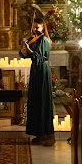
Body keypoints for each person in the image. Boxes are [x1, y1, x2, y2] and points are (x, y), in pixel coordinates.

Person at [20, 17, 55, 146]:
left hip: (42, 71)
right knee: (36, 100)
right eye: (34, 27)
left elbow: (41, 57)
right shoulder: (34, 39)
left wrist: (30, 51)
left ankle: (48, 133)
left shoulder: (44, 40)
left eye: (38, 27)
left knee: (43, 101)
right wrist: (24, 50)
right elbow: (25, 54)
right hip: (36, 71)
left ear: (43, 28)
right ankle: (39, 133)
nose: (35, 29)